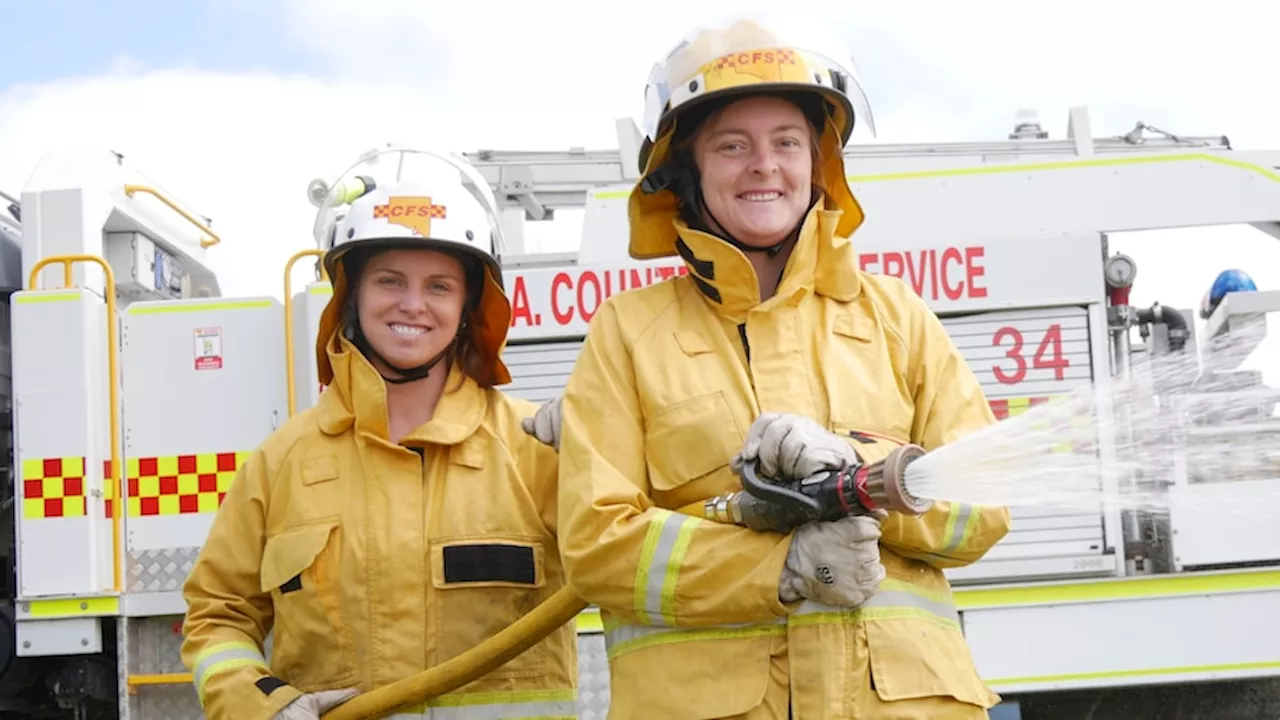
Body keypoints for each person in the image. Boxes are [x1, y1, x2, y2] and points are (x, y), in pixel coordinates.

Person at [524, 16, 1012, 720]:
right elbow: (598, 545)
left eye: (788, 142)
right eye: (732, 145)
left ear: (819, 165)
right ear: (687, 171)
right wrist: (780, 568)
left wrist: (856, 470)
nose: (764, 165)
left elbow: (983, 510)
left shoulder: (896, 316)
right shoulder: (628, 332)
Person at [181, 147, 577, 720]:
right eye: (390, 280)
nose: (413, 305)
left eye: (439, 286)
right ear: (351, 298)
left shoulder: (534, 448)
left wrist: (614, 447)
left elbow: (632, 561)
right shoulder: (281, 461)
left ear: (469, 306)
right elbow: (217, 614)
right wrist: (256, 704)